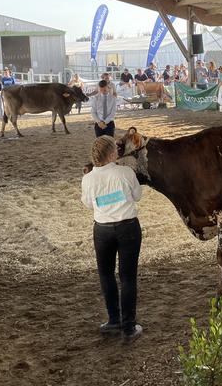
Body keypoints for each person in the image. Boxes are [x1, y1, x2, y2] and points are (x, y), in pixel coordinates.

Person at [81, 135, 143, 343]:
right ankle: (129, 326)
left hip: (102, 229)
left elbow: (89, 204)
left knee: (106, 275)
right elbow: (137, 196)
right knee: (127, 277)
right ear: (111, 154)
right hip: (128, 227)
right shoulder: (125, 173)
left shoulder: (88, 178)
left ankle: (113, 319)